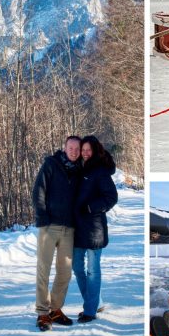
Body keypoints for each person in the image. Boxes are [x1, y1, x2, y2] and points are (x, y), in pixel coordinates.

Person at [32, 135, 82, 331]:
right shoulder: (51, 164)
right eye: (71, 148)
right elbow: (38, 191)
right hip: (49, 226)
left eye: (77, 149)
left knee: (65, 272)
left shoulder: (80, 170)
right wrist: (42, 217)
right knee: (43, 269)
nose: (74, 152)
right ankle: (42, 313)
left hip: (69, 228)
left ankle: (55, 309)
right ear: (64, 148)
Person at [72, 135, 119, 323]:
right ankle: (93, 302)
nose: (85, 153)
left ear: (95, 150)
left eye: (88, 150)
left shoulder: (100, 171)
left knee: (92, 270)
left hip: (93, 228)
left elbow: (111, 197)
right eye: (83, 150)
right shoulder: (77, 169)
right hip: (77, 227)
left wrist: (91, 207)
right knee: (76, 266)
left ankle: (90, 310)